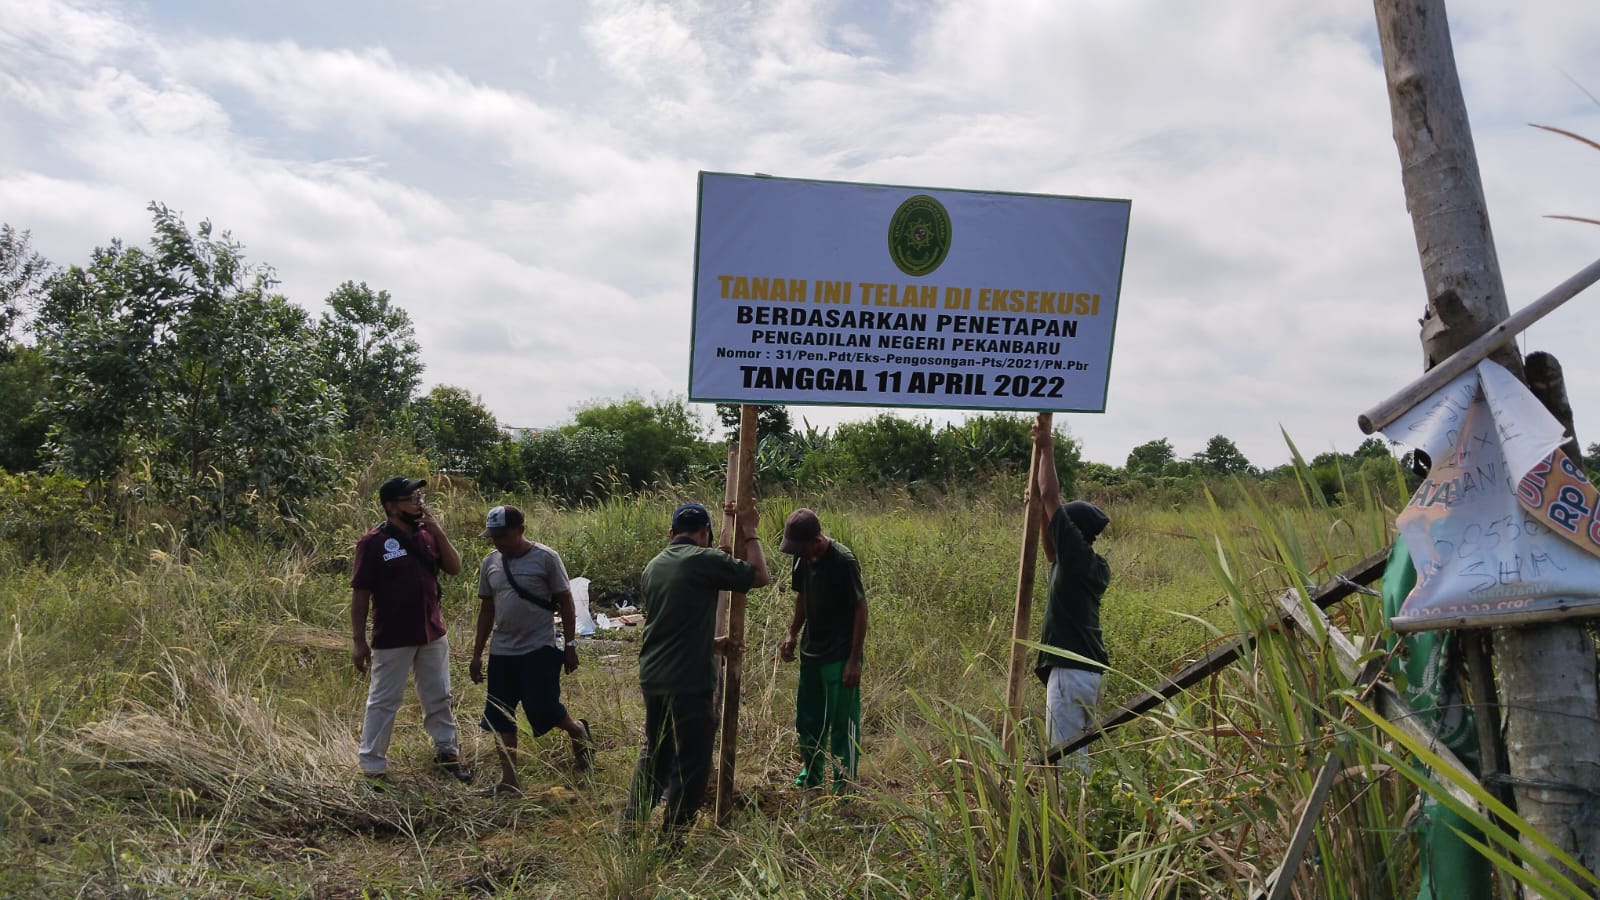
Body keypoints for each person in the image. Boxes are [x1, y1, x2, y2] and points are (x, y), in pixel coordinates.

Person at [623, 500, 769, 844]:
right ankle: (672, 839)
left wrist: (712, 643)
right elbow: (760, 576)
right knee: (693, 762)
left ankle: (628, 831)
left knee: (654, 755)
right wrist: (750, 533)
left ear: (671, 533)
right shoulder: (704, 560)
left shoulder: (653, 565)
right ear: (704, 534)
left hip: (653, 675)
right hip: (688, 679)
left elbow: (672, 621)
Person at [351, 476, 469, 783]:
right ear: (391, 506)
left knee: (439, 696)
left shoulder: (427, 535)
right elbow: (360, 593)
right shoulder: (373, 542)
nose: (419, 502)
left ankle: (447, 754)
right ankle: (373, 767)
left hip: (432, 632)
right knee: (384, 700)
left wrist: (439, 532)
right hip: (393, 636)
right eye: (411, 498)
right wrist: (358, 641)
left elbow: (454, 568)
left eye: (419, 496)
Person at [469, 504, 593, 796]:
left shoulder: (546, 559)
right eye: (493, 537)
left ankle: (577, 730)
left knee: (545, 709)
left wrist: (571, 645)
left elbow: (565, 601)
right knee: (500, 715)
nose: (497, 542)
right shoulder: (491, 563)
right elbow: (487, 610)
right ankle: (509, 780)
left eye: (502, 535)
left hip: (538, 648)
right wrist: (477, 654)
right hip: (502, 652)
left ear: (521, 530)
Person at [1031, 422, 1112, 765]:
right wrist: (1037, 513)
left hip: (1069, 669)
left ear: (1072, 531)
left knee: (1066, 758)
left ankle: (1074, 815)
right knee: (1079, 752)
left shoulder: (1076, 555)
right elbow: (1050, 550)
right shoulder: (1086, 563)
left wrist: (1046, 446)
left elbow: (1051, 497)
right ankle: (1084, 808)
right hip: (1087, 672)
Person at [777, 508, 867, 793]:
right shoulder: (801, 560)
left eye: (801, 548)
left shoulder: (843, 561)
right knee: (808, 721)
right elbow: (802, 596)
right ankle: (812, 778)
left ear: (817, 540)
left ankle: (844, 786)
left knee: (843, 724)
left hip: (840, 656)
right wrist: (792, 633)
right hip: (811, 653)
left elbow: (860, 609)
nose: (798, 553)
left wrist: (854, 660)